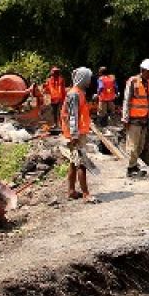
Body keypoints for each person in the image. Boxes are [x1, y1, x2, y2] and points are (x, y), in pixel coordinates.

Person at [61, 67, 96, 202]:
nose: (89, 81)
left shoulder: (79, 92)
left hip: (77, 133)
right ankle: (86, 194)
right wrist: (74, 135)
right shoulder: (75, 94)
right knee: (82, 163)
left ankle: (71, 191)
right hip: (76, 135)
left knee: (73, 163)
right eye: (88, 78)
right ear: (82, 78)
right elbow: (73, 116)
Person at [122, 58, 149, 177]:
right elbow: (127, 100)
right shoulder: (133, 81)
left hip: (144, 120)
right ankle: (130, 168)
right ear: (142, 70)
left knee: (140, 145)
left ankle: (134, 165)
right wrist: (125, 118)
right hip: (133, 120)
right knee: (132, 145)